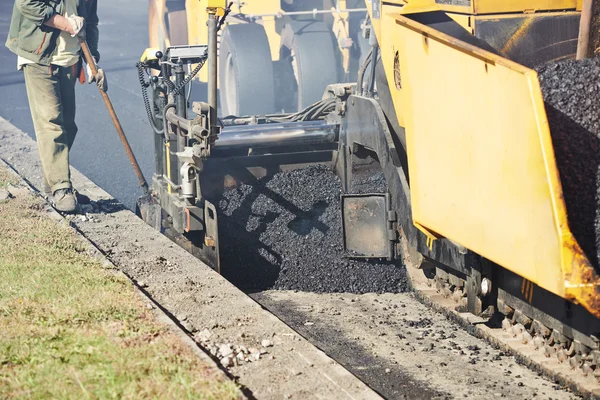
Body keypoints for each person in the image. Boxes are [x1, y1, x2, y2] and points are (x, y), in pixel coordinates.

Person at [5, 0, 107, 213]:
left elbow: (91, 22)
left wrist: (92, 60)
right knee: (52, 123)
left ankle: (53, 185)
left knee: (68, 126)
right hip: (40, 57)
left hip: (70, 60)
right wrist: (66, 24)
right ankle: (61, 187)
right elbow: (27, 4)